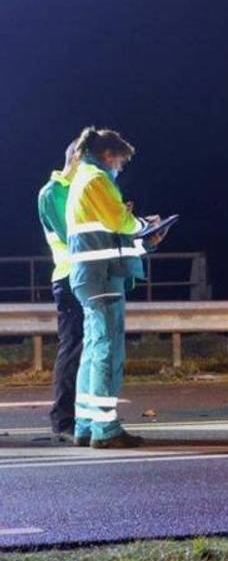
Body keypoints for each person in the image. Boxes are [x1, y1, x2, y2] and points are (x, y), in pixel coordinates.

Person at [66, 127, 168, 448]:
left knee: (94, 350)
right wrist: (144, 226)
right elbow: (119, 224)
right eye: (121, 162)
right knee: (108, 353)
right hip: (102, 277)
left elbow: (107, 236)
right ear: (109, 155)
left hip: (91, 274)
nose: (120, 168)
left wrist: (143, 243)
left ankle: (86, 423)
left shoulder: (83, 179)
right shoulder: (96, 179)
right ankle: (106, 430)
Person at [36, 138, 83, 442]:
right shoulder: (53, 192)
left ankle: (80, 417)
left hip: (89, 277)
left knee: (85, 351)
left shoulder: (82, 190)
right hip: (68, 278)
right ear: (76, 158)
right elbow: (73, 236)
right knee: (73, 349)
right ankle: (63, 419)